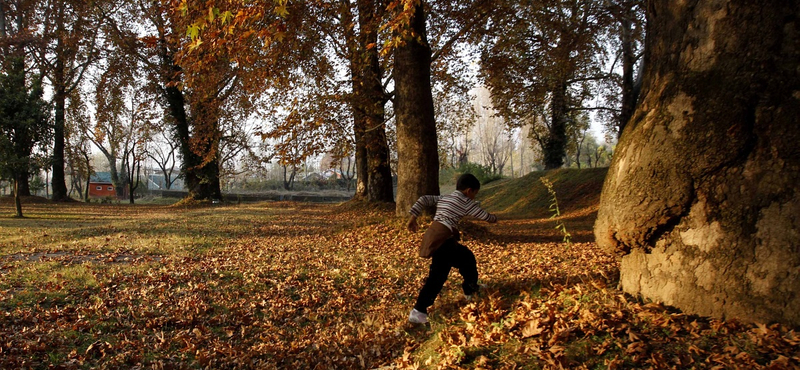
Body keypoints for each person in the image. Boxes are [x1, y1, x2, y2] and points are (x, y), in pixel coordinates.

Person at [406, 173, 498, 324]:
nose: (474, 197)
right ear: (469, 191)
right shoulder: (466, 202)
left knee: (467, 258)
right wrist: (494, 218)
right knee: (437, 277)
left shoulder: (445, 197)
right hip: (443, 242)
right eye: (475, 193)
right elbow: (485, 216)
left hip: (440, 238)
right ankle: (418, 311)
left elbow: (423, 199)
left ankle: (471, 288)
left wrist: (413, 218)